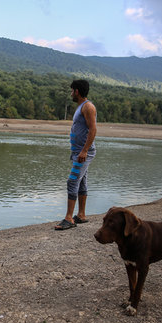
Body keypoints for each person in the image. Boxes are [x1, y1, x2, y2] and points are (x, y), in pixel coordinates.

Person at [55, 79, 97, 230]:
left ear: (77, 91)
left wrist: (84, 150)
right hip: (78, 152)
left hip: (83, 153)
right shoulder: (81, 107)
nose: (71, 93)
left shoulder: (88, 107)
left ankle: (68, 219)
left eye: (72, 90)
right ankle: (81, 215)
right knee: (82, 182)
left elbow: (93, 130)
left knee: (72, 181)